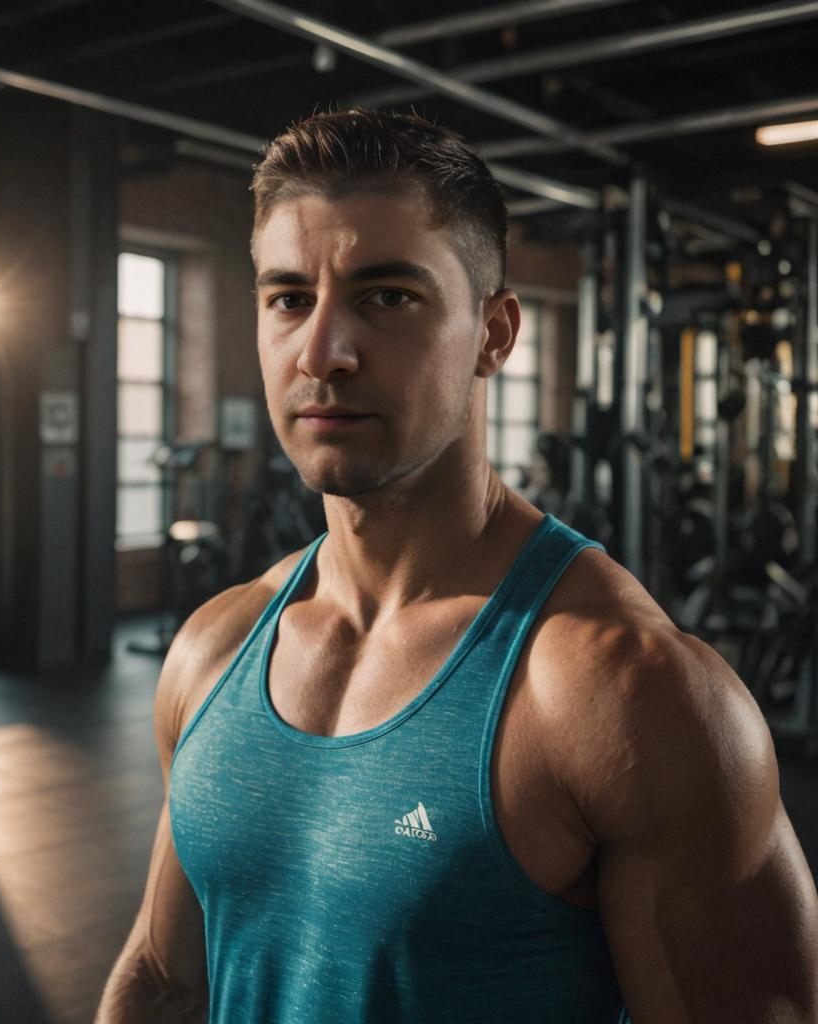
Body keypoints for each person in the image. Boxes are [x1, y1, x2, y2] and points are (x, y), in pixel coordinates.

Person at [95, 109, 818, 1024]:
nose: (323, 352)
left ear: (494, 333)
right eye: (288, 299)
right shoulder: (214, 647)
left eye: (387, 296)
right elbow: (163, 983)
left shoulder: (628, 696)